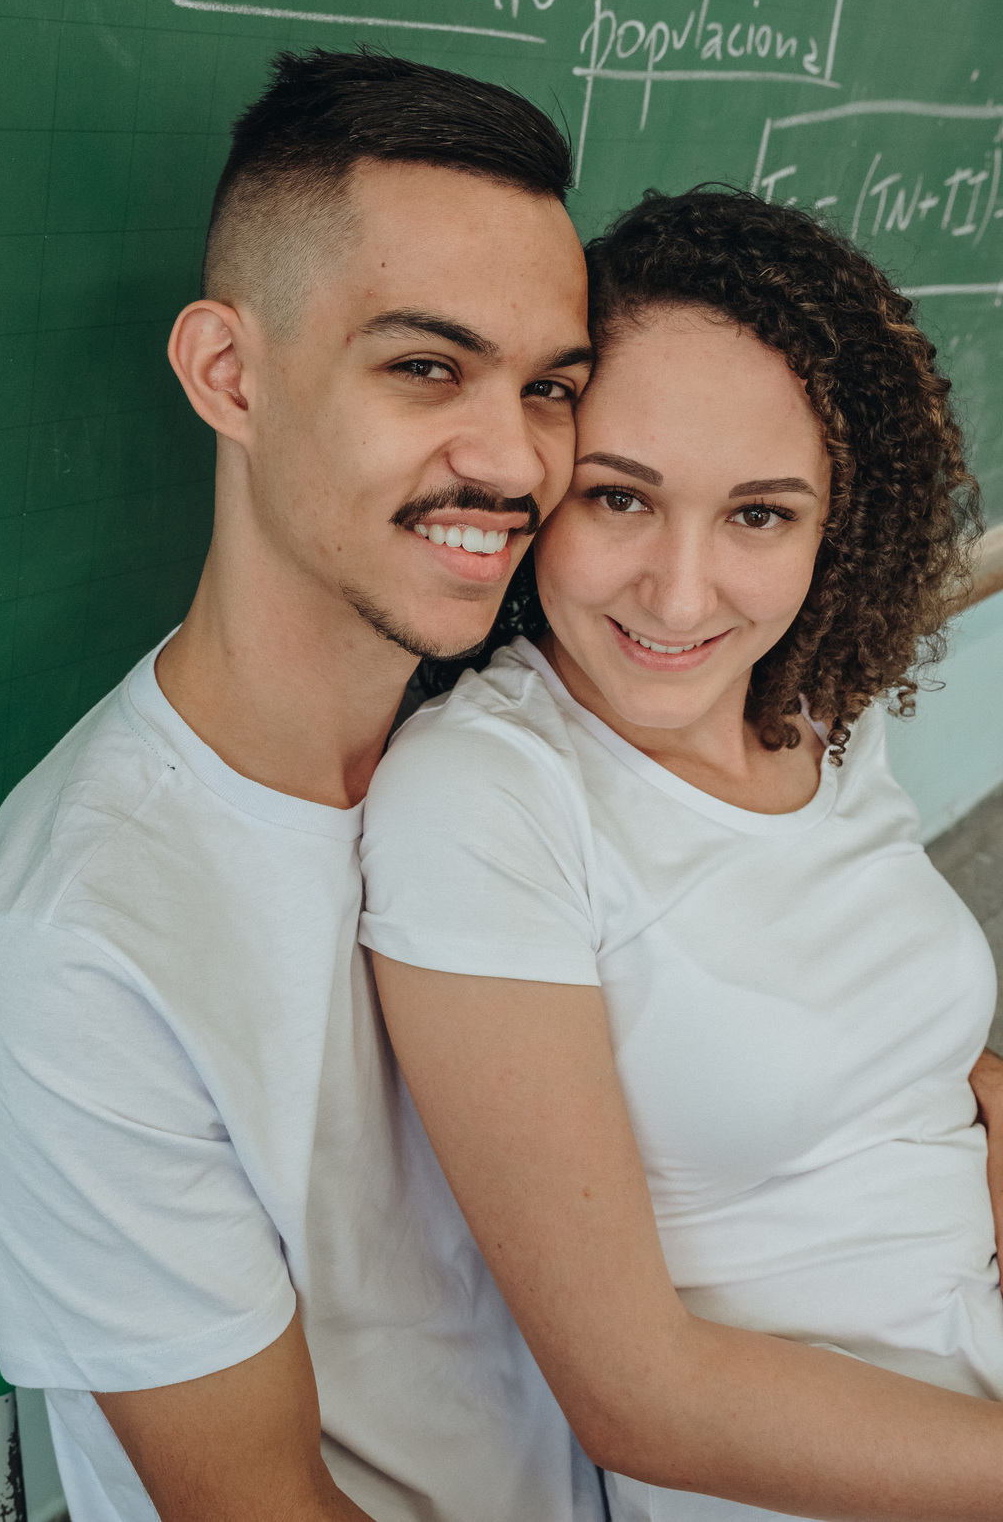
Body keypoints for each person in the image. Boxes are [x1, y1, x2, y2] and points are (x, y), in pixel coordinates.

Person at [0, 48, 604, 1522]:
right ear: (231, 374)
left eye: (551, 386)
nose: (511, 456)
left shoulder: (528, 733)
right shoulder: (79, 943)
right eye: (426, 365)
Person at [360, 187, 1003, 1522]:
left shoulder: (822, 707)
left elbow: (913, 1054)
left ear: (839, 523)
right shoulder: (486, 798)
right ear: (537, 484)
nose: (682, 592)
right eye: (621, 497)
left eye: (758, 514)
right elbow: (638, 1397)